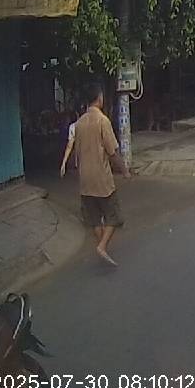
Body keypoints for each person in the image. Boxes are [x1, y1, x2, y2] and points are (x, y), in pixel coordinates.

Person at [73, 83, 128, 267]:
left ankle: (101, 246)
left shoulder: (79, 123)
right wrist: (124, 170)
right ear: (99, 98)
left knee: (94, 218)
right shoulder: (102, 121)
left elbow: (76, 153)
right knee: (114, 215)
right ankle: (102, 246)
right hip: (101, 179)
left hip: (85, 180)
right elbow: (113, 152)